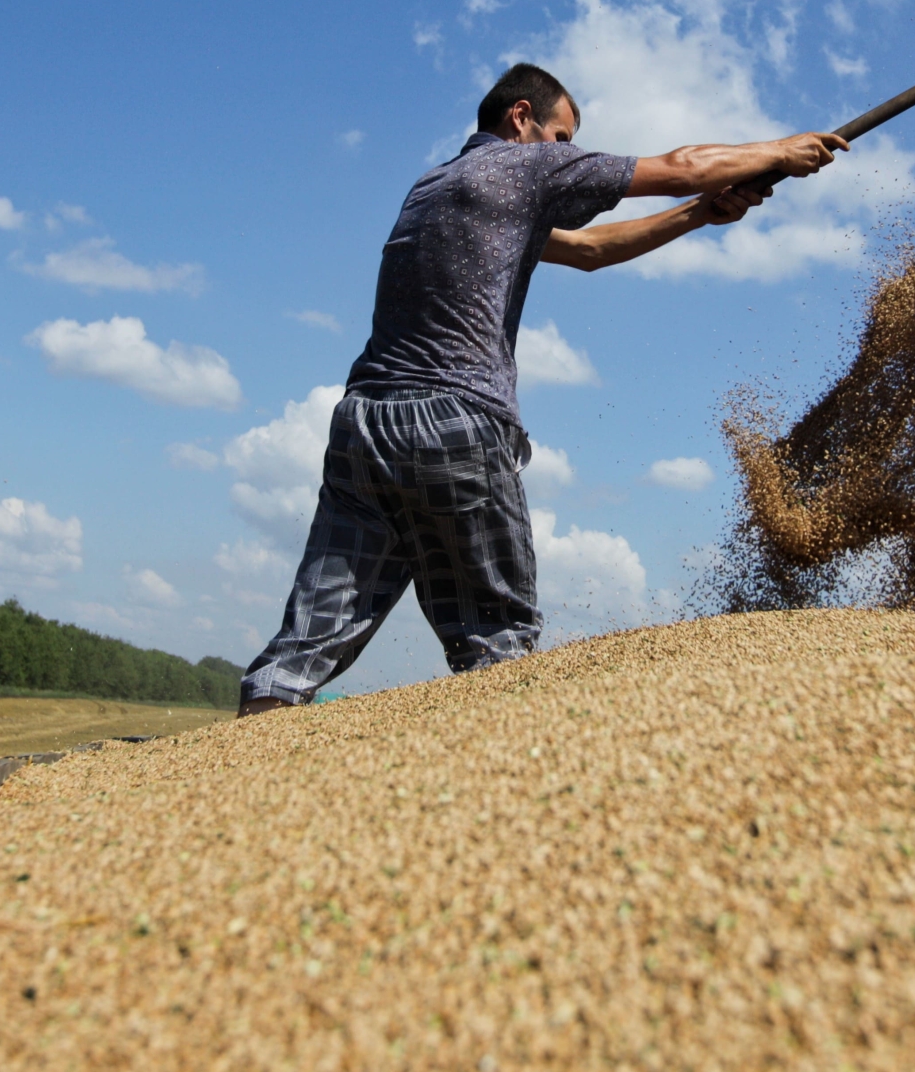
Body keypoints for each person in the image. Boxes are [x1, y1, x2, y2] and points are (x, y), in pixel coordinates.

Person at [236, 62, 847, 715]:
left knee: (305, 645)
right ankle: (497, 795)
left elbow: (588, 250)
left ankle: (245, 761)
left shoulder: (436, 185)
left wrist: (698, 215)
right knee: (497, 645)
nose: (569, 153)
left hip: (365, 426)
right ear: (521, 117)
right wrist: (781, 150)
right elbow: (685, 161)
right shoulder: (525, 167)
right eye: (563, 137)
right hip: (456, 418)